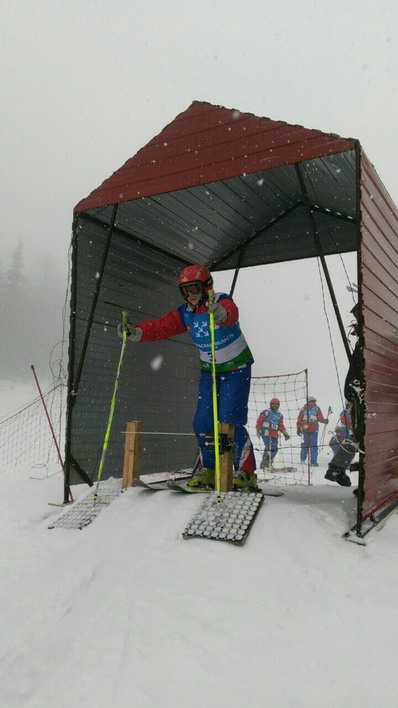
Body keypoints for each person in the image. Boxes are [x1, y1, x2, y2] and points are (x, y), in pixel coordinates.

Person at [119, 264, 257, 490]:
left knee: (229, 420)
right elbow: (162, 326)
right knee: (202, 421)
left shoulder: (221, 300)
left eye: (194, 289)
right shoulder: (186, 313)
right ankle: (209, 470)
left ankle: (246, 472)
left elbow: (231, 312)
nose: (190, 295)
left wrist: (222, 314)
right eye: (185, 291)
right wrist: (138, 332)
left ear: (206, 286)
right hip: (210, 371)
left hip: (236, 369)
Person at [324, 304, 362, 487]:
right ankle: (364, 480)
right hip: (362, 396)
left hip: (358, 395)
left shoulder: (364, 344)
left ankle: (337, 468)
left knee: (358, 436)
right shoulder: (366, 345)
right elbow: (356, 376)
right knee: (363, 435)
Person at [255, 398, 290, 469]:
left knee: (274, 449)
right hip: (266, 433)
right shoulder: (266, 412)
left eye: (277, 404)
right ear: (270, 404)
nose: (275, 406)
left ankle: (266, 463)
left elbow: (281, 425)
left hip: (274, 434)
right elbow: (259, 421)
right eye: (273, 404)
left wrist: (285, 433)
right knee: (270, 447)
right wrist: (258, 429)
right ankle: (266, 463)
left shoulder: (279, 415)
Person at [296, 396, 329, 466]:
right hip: (305, 430)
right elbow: (299, 419)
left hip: (314, 430)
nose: (313, 403)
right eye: (311, 401)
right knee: (305, 445)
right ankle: (302, 459)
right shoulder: (303, 409)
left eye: (314, 401)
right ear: (308, 402)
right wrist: (298, 428)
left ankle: (313, 462)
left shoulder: (317, 409)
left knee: (313, 445)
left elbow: (320, 418)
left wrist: (324, 421)